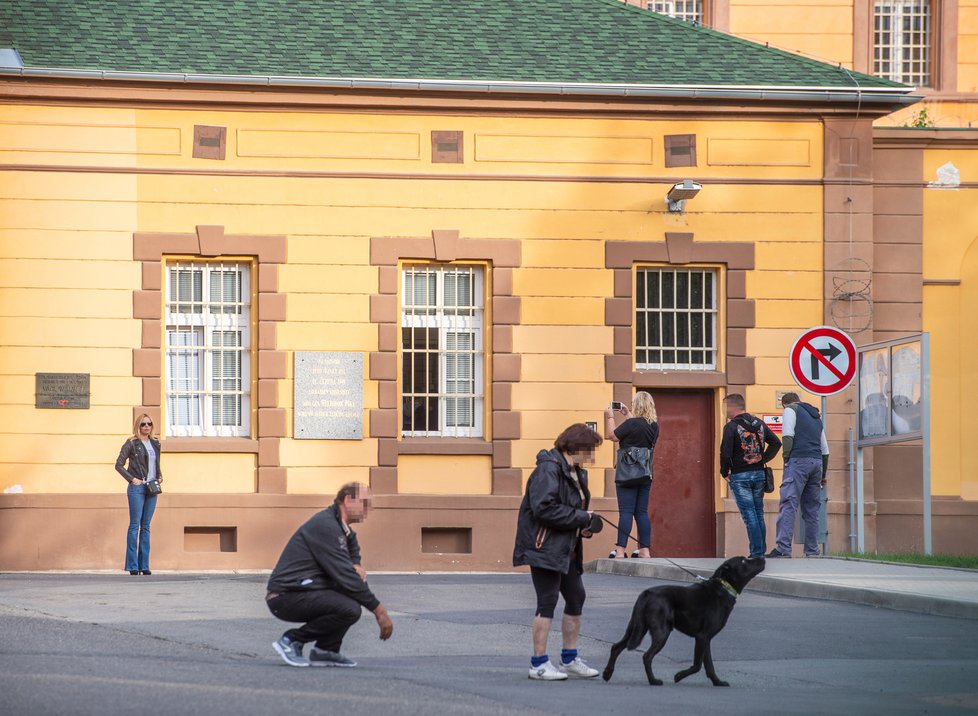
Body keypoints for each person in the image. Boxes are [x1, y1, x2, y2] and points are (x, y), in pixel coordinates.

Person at [266, 482, 393, 667]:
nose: (369, 509)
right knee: (349, 607)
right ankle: (291, 640)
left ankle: (326, 650)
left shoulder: (338, 526)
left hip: (303, 590)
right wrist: (379, 611)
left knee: (349, 604)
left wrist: (355, 563)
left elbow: (352, 541)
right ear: (348, 500)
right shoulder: (325, 526)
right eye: (365, 503)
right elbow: (345, 577)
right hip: (285, 596)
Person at [513, 423, 603, 681]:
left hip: (567, 547)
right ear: (574, 447)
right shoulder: (548, 470)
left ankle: (569, 658)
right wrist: (581, 518)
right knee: (548, 600)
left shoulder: (575, 471)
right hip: (544, 546)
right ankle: (538, 664)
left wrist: (585, 526)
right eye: (590, 451)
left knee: (576, 597)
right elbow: (544, 509)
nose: (593, 457)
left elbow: (573, 509)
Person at [769, 393, 830, 558]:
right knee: (811, 509)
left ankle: (783, 549)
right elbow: (825, 450)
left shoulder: (791, 409)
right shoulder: (816, 416)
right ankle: (812, 550)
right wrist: (823, 474)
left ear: (785, 403)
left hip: (798, 461)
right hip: (817, 463)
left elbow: (788, 436)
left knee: (788, 504)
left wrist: (786, 460)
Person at [720, 394, 781, 559]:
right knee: (758, 513)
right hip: (759, 474)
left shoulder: (731, 426)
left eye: (725, 406)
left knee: (749, 515)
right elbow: (776, 443)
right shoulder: (759, 424)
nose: (723, 410)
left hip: (741, 475)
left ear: (733, 407)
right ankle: (760, 551)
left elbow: (725, 453)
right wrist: (763, 458)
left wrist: (724, 472)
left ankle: (756, 553)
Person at [604, 392, 659, 559]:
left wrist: (610, 417)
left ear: (638, 405)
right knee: (641, 512)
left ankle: (620, 551)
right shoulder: (654, 426)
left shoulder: (632, 424)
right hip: (645, 473)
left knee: (626, 512)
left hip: (626, 474)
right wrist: (628, 414)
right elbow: (638, 429)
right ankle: (644, 550)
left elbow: (612, 435)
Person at [114, 413, 162, 576]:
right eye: (143, 424)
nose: (146, 427)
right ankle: (133, 566)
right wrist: (132, 479)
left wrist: (160, 475)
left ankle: (144, 565)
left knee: (146, 526)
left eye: (149, 424)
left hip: (152, 488)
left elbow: (155, 463)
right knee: (135, 525)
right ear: (138, 426)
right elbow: (119, 465)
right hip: (137, 489)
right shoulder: (131, 443)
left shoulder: (155, 443)